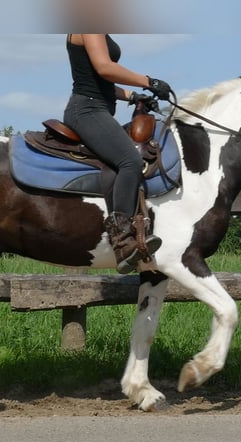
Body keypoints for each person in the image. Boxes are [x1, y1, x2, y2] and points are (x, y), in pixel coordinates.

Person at [63, 33, 173, 274]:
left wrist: (133, 96)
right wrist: (148, 81)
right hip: (88, 110)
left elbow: (99, 81)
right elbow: (105, 68)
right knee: (130, 161)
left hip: (97, 107)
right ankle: (123, 240)